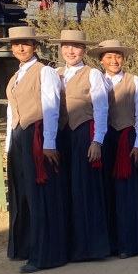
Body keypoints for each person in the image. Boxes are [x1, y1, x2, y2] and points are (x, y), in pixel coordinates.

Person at [0, 26, 67, 273]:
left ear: (34, 46)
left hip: (37, 137)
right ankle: (25, 246)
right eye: (16, 45)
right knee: (22, 194)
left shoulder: (44, 72)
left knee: (39, 195)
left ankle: (44, 254)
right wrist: (8, 144)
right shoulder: (15, 76)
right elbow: (10, 111)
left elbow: (51, 107)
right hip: (19, 137)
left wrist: (49, 143)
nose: (20, 48)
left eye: (25, 43)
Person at [48, 30, 111, 261]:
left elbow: (102, 109)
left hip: (83, 134)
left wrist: (97, 141)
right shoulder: (55, 73)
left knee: (84, 190)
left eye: (75, 46)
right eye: (66, 46)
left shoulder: (92, 74)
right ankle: (67, 244)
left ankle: (89, 247)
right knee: (64, 190)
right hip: (61, 136)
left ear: (83, 50)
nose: (70, 51)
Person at [88, 40, 138, 259]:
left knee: (126, 193)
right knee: (105, 191)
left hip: (125, 138)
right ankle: (109, 243)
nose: (114, 61)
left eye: (118, 57)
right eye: (109, 57)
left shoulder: (134, 81)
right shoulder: (95, 80)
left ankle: (129, 244)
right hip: (104, 140)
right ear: (101, 60)